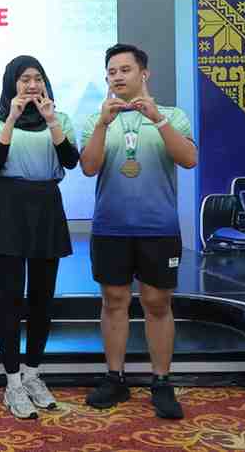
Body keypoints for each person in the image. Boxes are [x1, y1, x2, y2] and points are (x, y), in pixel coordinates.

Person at [81, 43, 197, 420]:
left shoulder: (173, 115)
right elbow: (88, 167)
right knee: (114, 300)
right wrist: (101, 124)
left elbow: (189, 159)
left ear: (143, 74)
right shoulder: (96, 118)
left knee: (157, 303)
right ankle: (114, 377)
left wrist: (158, 121)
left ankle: (161, 381)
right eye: (112, 71)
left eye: (125, 70)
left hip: (158, 227)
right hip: (111, 226)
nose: (117, 76)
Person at [0, 55, 80, 419]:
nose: (32, 85)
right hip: (8, 206)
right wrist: (11, 119)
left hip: (47, 206)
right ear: (12, 84)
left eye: (37, 78)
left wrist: (51, 121)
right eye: (24, 79)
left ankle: (33, 373)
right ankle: (12, 383)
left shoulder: (61, 118)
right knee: (10, 299)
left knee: (42, 298)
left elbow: (70, 160)